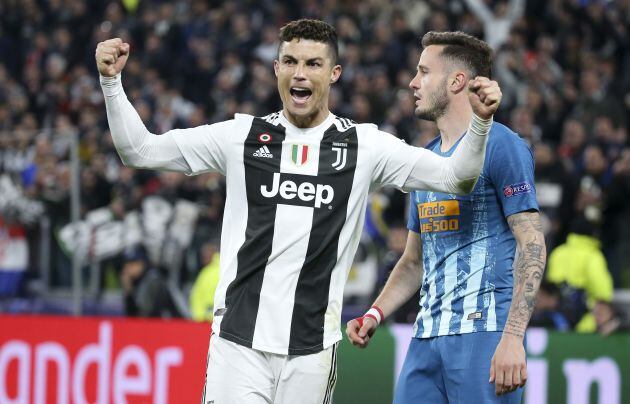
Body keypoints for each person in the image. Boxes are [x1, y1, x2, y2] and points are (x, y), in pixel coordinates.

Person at [96, 19, 502, 404]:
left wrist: (481, 124)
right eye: (290, 62)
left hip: (312, 350)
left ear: (334, 73)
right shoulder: (242, 137)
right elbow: (140, 150)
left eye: (313, 63)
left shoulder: (365, 146)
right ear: (276, 69)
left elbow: (457, 179)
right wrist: (111, 82)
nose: (300, 73)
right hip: (238, 344)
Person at [346, 31, 546, 403]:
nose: (412, 82)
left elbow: (532, 243)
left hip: (484, 334)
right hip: (426, 337)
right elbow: (413, 260)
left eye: (424, 72)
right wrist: (375, 313)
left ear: (456, 81)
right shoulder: (426, 159)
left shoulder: (502, 145)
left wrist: (514, 338)